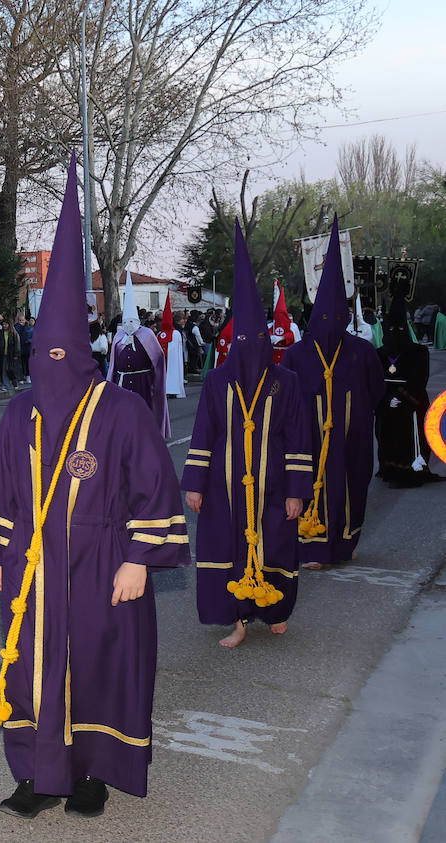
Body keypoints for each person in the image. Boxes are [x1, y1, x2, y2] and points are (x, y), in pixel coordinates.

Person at [0, 158, 188, 819]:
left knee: (96, 667)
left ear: (84, 353)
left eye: (62, 355)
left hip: (102, 566)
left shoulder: (120, 412)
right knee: (33, 668)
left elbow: (157, 489)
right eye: (43, 355)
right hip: (33, 571)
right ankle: (38, 774)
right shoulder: (19, 413)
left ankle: (90, 773)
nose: (51, 367)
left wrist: (137, 557)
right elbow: (4, 490)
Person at [182, 222, 313, 648]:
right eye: (244, 342)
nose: (251, 349)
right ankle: (237, 619)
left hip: (274, 487)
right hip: (224, 489)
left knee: (275, 545)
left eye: (259, 341)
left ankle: (275, 610)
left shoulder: (287, 382)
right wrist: (195, 486)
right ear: (232, 343)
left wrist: (297, 491)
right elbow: (203, 434)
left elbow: (298, 439)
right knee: (228, 550)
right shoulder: (219, 382)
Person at [281, 220, 386, 571]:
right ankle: (314, 547)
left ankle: (346, 541)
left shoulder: (361, 350)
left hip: (352, 436)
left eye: (335, 317)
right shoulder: (297, 354)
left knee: (354, 483)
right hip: (310, 439)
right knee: (314, 485)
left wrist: (355, 418)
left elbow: (376, 391)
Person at [375, 296, 438, 487]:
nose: (395, 333)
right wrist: (385, 398)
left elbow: (420, 379)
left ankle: (410, 470)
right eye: (391, 330)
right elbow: (375, 379)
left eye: (400, 330)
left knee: (409, 437)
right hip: (386, 402)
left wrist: (403, 397)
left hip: (411, 403)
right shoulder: (379, 353)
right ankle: (390, 467)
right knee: (386, 435)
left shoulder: (419, 352)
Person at [108, 273, 170, 437]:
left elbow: (157, 360)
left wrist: (155, 382)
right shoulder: (119, 336)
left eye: (131, 321)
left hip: (143, 381)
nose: (128, 325)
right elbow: (113, 363)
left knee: (143, 411)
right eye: (126, 321)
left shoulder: (147, 334)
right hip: (122, 381)